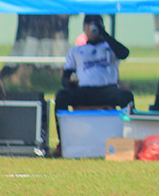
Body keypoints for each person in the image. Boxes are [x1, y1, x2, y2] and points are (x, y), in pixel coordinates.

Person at [54, 14, 134, 153]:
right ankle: (63, 142)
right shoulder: (76, 50)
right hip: (84, 91)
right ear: (84, 28)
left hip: (107, 90)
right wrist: (70, 83)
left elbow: (124, 53)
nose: (92, 27)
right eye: (89, 23)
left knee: (126, 97)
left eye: (96, 23)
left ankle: (129, 140)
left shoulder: (110, 47)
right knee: (61, 96)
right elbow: (65, 78)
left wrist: (104, 34)